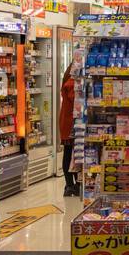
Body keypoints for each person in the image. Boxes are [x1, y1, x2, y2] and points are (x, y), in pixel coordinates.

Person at [58, 67, 78, 196]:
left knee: (69, 153)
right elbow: (76, 99)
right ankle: (72, 185)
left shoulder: (67, 79)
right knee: (73, 154)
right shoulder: (71, 83)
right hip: (71, 122)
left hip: (67, 121)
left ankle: (71, 185)